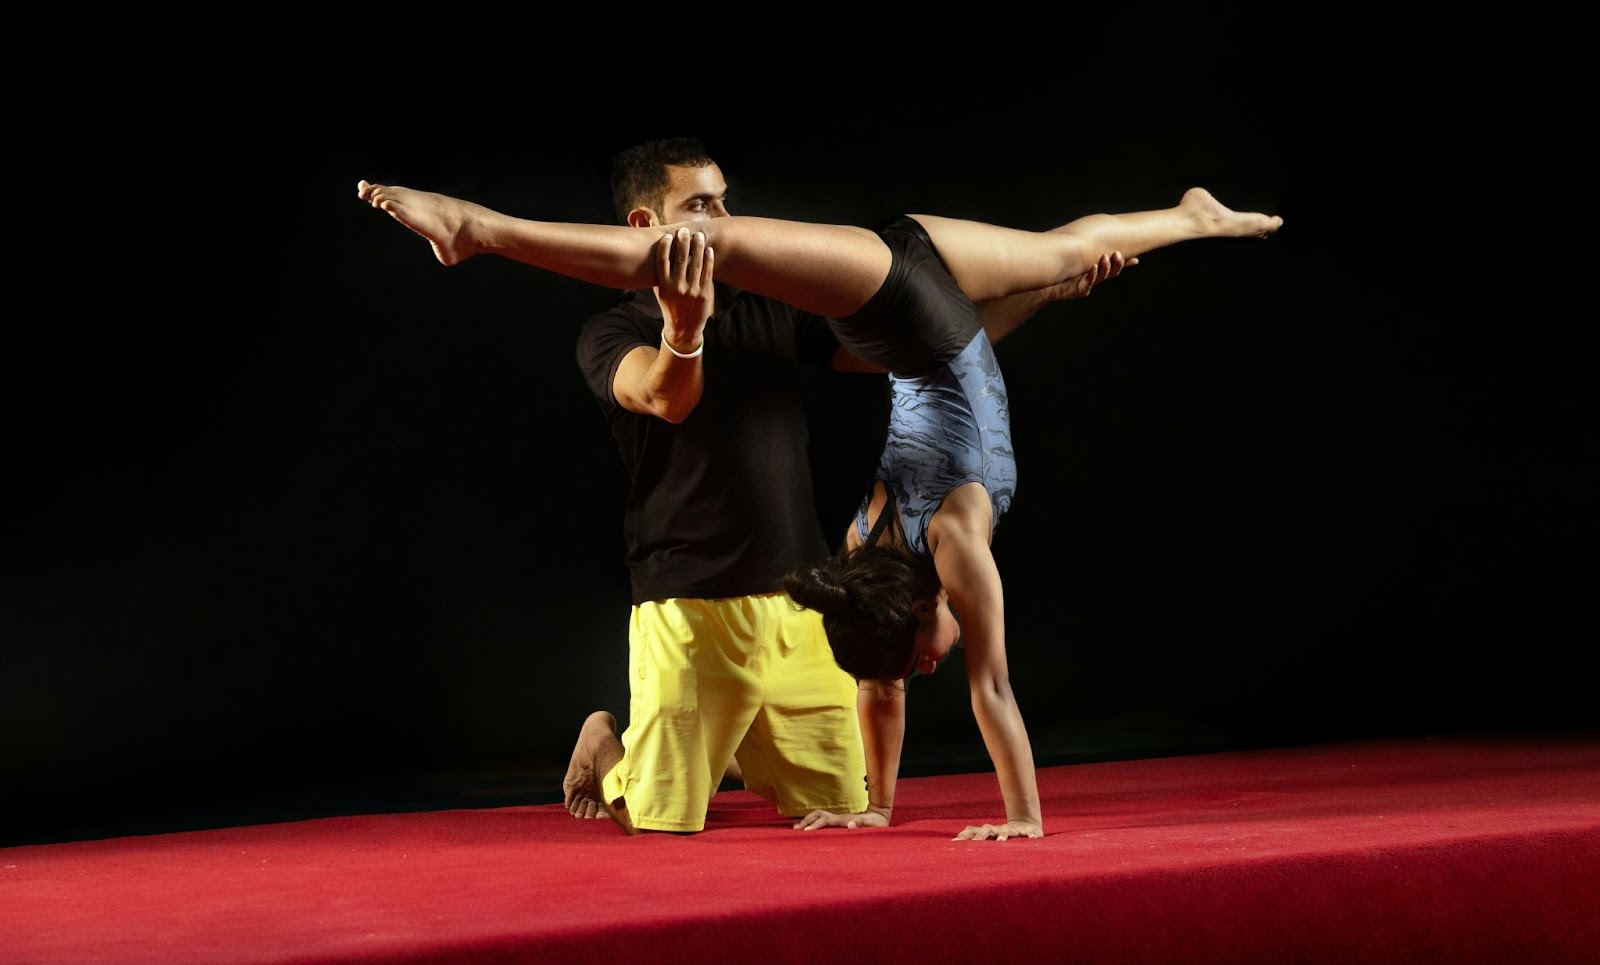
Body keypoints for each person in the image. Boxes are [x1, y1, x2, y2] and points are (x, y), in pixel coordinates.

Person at [354, 165, 1282, 840]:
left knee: (709, 251)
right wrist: (878, 807)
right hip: (924, 309)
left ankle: (480, 225)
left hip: (910, 304)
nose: (927, 672)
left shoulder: (930, 544)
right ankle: (1189, 216)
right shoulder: (871, 546)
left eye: (920, 658)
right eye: (925, 668)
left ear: (921, 607)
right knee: (1069, 251)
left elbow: (983, 686)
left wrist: (1022, 820)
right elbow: (886, 679)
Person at [492, 138, 1117, 837]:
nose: (724, 218)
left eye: (725, 200)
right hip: (691, 601)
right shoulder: (610, 331)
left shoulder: (767, 306)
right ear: (645, 227)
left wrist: (1043, 290)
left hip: (796, 603)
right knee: (658, 818)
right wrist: (685, 331)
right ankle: (607, 738)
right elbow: (665, 395)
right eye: (701, 206)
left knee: (849, 808)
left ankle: (710, 743)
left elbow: (923, 352)